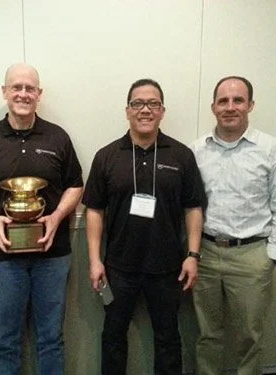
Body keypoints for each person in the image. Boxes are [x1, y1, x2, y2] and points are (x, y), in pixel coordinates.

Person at [82, 78, 206, 375]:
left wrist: (192, 255)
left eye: (153, 104)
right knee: (113, 337)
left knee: (168, 338)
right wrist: (95, 260)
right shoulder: (107, 156)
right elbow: (94, 211)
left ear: (162, 111)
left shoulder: (180, 155)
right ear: (127, 110)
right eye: (138, 103)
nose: (145, 110)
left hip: (167, 269)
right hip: (118, 268)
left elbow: (193, 207)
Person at [0, 63, 83, 375]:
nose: (23, 93)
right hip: (3, 255)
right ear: (4, 91)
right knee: (6, 340)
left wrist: (57, 215)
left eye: (29, 88)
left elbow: (76, 184)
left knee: (51, 338)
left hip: (53, 254)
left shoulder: (58, 137)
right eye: (16, 87)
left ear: (39, 94)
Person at [190, 76, 276, 374]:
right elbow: (190, 207)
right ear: (213, 107)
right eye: (223, 101)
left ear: (250, 105)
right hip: (206, 254)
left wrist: (271, 255)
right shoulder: (197, 151)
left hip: (251, 256)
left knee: (248, 337)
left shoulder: (272, 149)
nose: (230, 107)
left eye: (238, 100)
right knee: (207, 335)